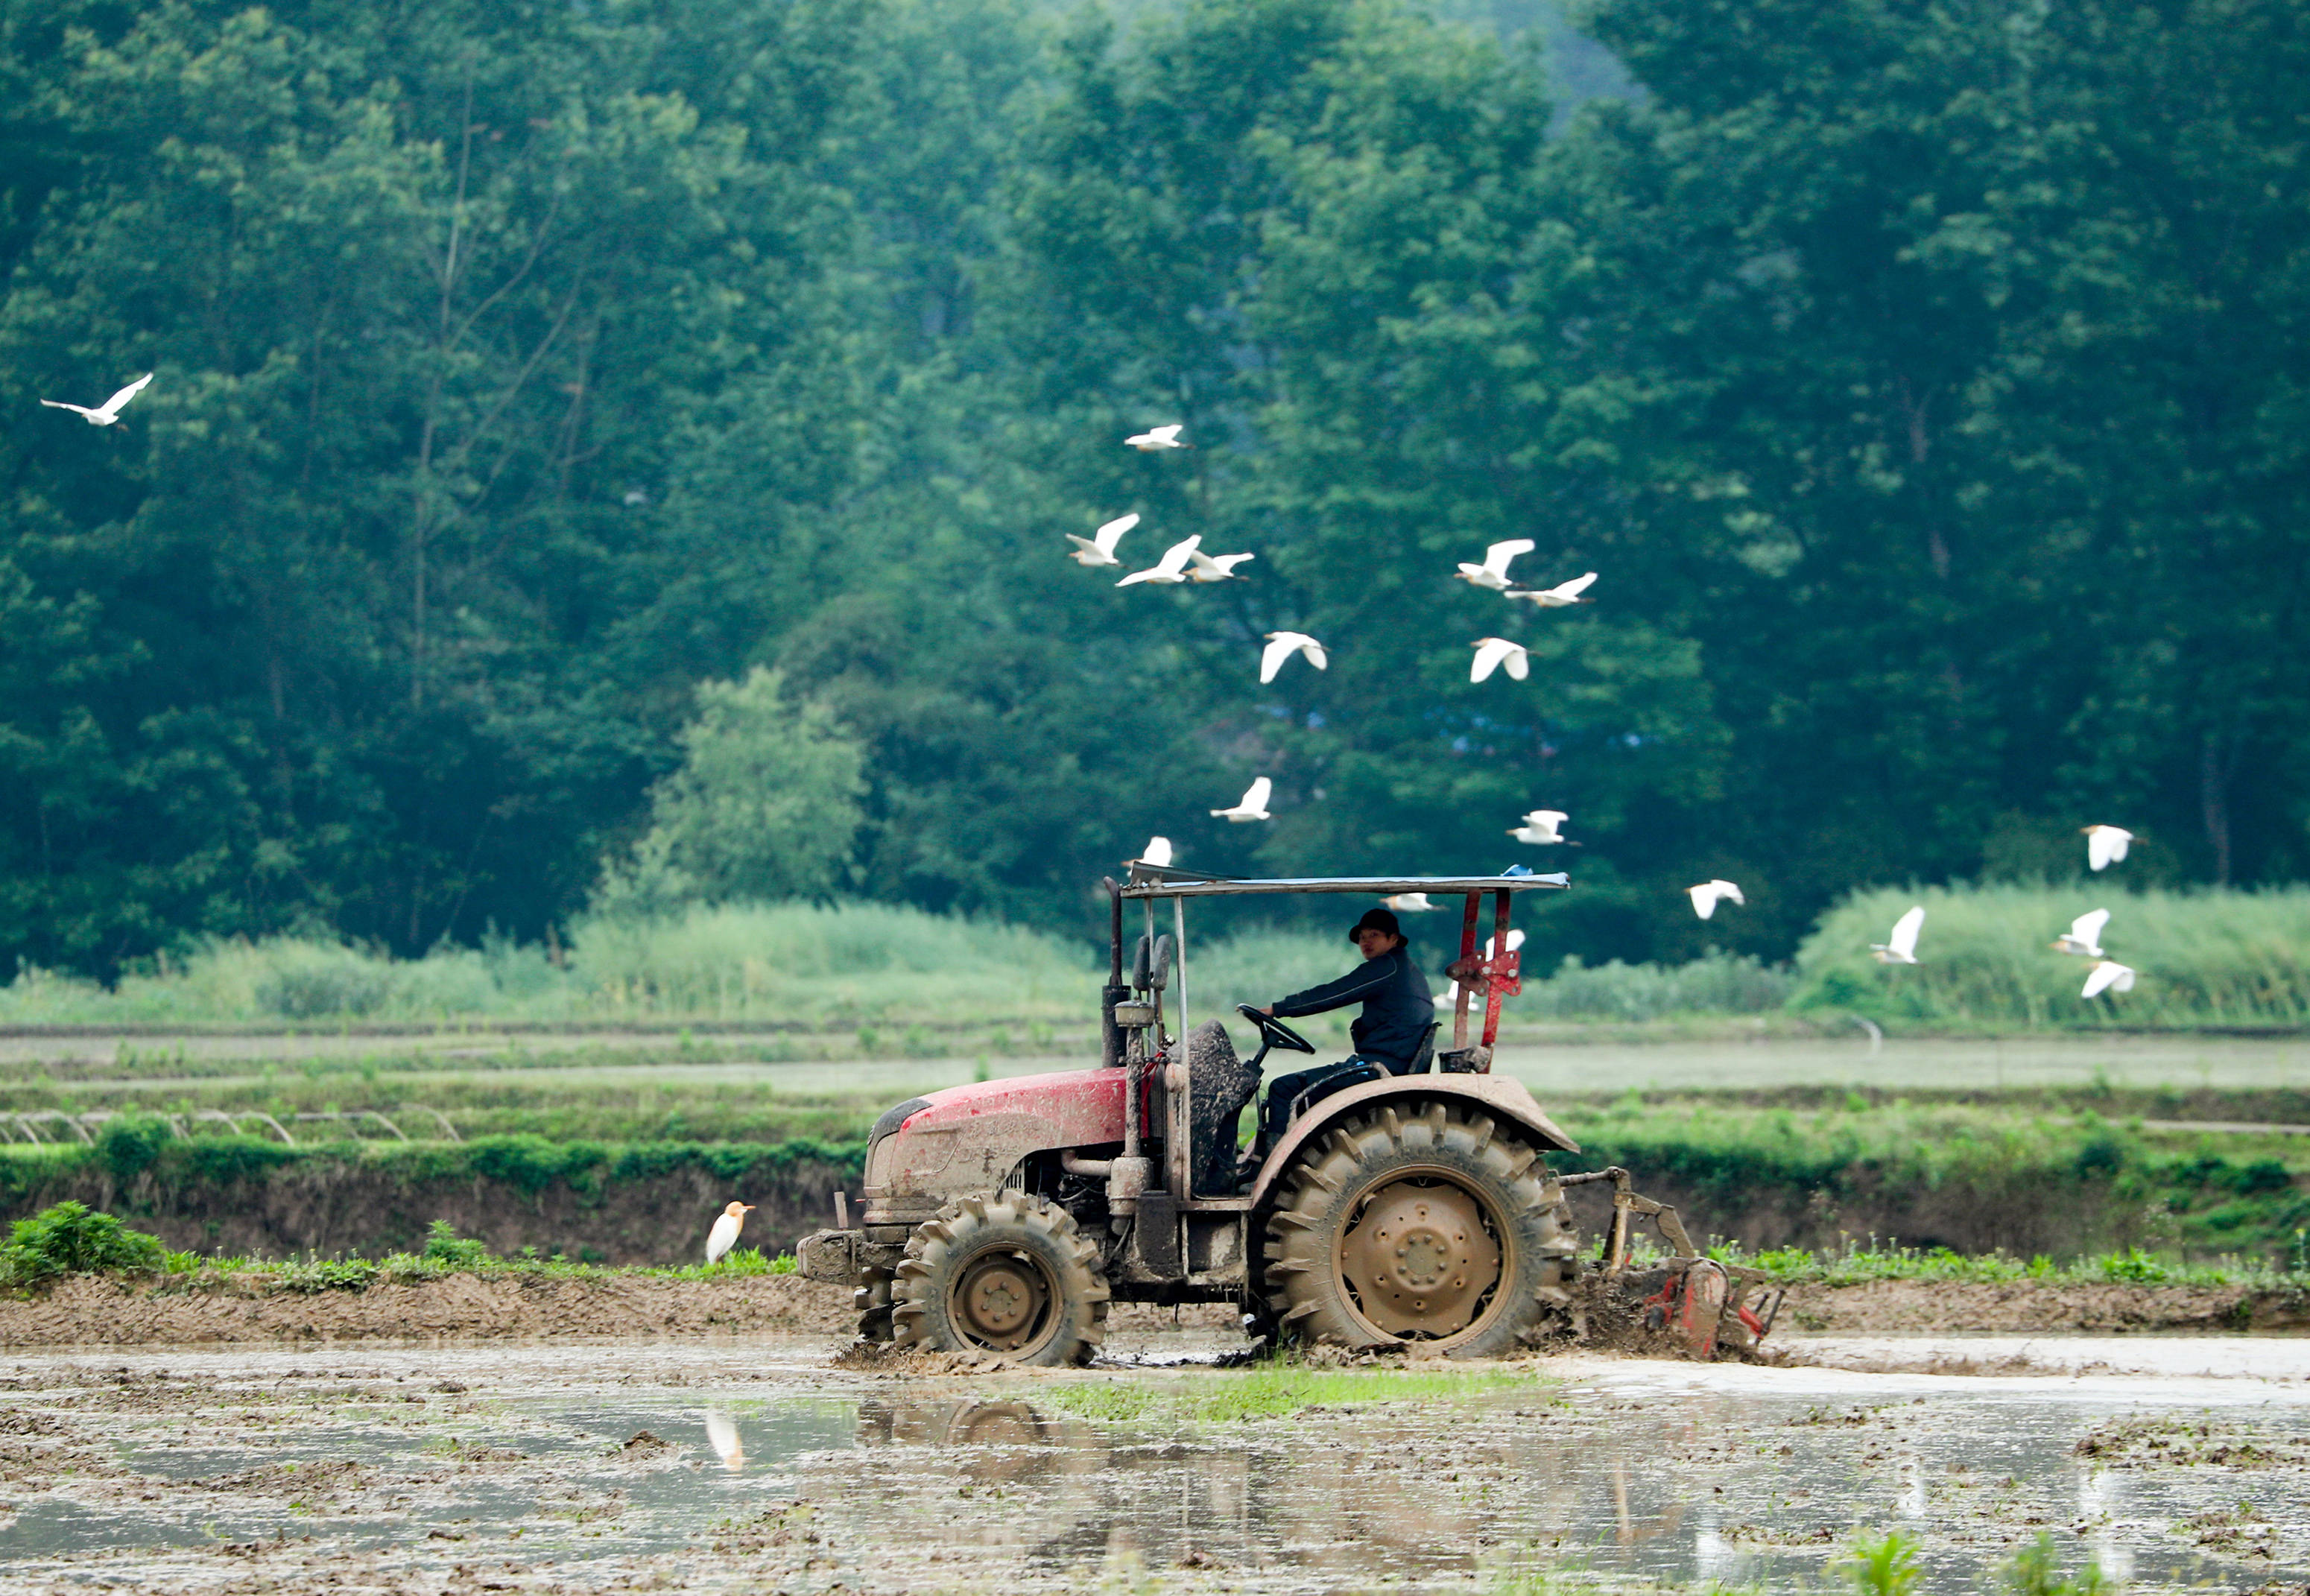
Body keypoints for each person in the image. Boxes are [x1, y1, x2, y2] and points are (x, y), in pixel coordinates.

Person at [1252, 907, 1434, 1150]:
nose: (1365, 942)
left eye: (1374, 935)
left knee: (1282, 1088)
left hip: (1377, 1068)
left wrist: (1279, 1008)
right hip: (1387, 1062)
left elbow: (1335, 993)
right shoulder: (1404, 970)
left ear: (1394, 939)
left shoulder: (1387, 967)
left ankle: (1269, 1166)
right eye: (1361, 937)